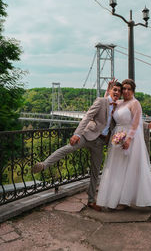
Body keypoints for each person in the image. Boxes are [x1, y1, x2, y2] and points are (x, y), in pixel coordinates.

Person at [32, 81, 122, 211]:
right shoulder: (101, 101)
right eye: (115, 90)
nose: (117, 93)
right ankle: (43, 165)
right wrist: (77, 134)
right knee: (67, 149)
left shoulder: (117, 106)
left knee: (96, 172)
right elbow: (87, 117)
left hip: (100, 142)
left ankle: (91, 200)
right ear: (111, 90)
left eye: (119, 91)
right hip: (88, 135)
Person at [96, 79, 151, 213]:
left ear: (133, 91)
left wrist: (129, 139)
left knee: (137, 169)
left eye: (128, 89)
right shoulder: (119, 103)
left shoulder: (135, 103)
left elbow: (136, 123)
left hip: (131, 139)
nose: (125, 91)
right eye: (123, 89)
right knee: (119, 170)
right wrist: (108, 88)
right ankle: (123, 200)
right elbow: (105, 103)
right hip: (117, 137)